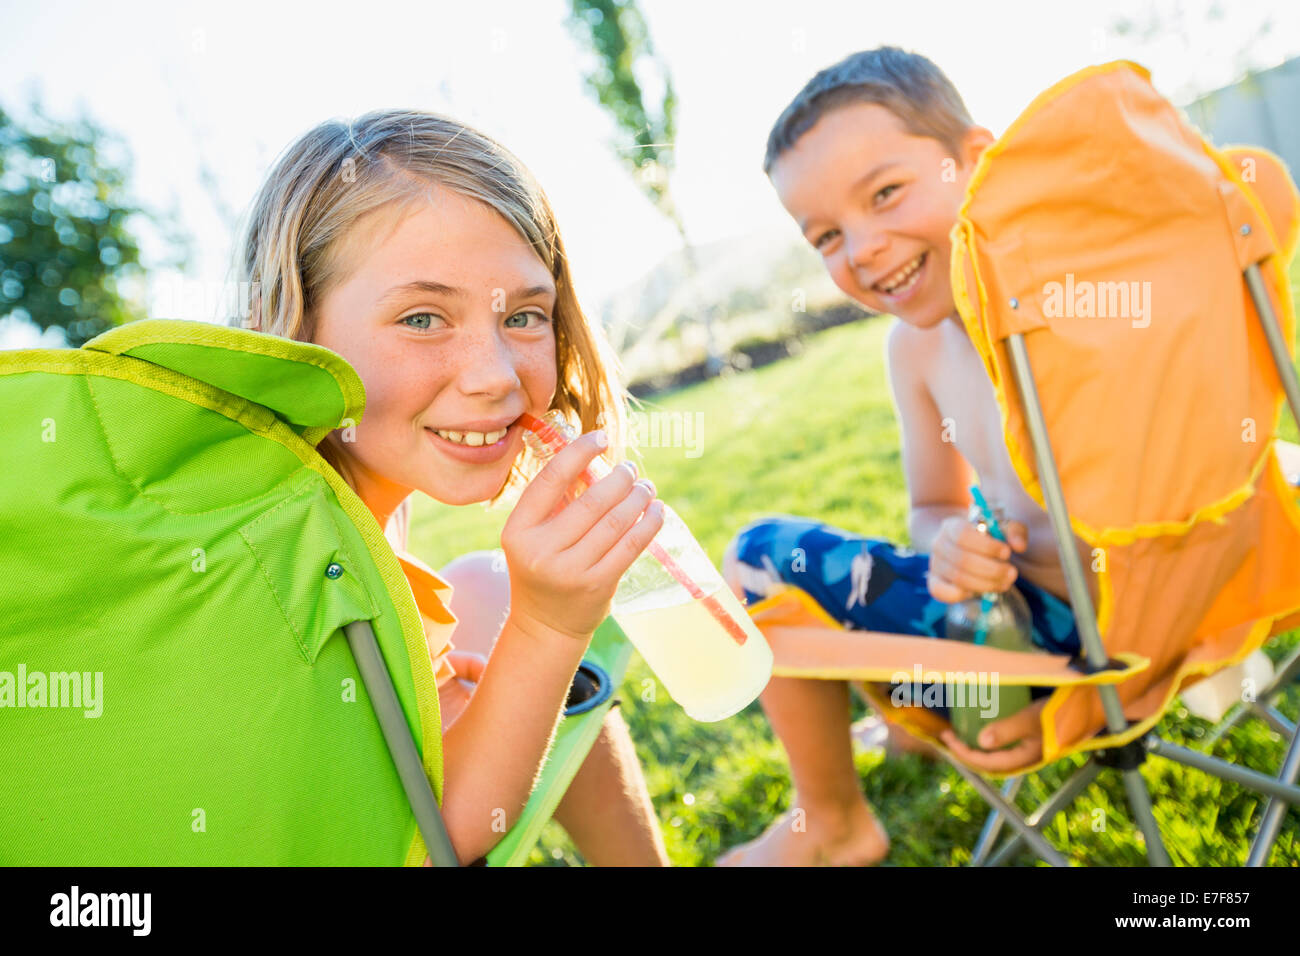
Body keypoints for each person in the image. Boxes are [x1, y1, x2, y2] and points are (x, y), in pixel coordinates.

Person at [238, 109, 668, 866]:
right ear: (295, 331)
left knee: (482, 585)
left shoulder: (350, 498)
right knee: (510, 608)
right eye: (424, 317)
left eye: (526, 316)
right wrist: (549, 629)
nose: (496, 375)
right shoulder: (282, 543)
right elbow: (443, 836)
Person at [717, 47, 1100, 867]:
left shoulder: (1081, 303)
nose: (862, 248)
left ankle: (841, 816)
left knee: (761, 562)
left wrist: (1087, 697)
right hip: (1006, 628)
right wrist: (954, 543)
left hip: (1115, 643)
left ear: (975, 161)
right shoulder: (916, 350)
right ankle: (865, 772)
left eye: (886, 193)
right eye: (825, 235)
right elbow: (932, 511)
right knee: (760, 559)